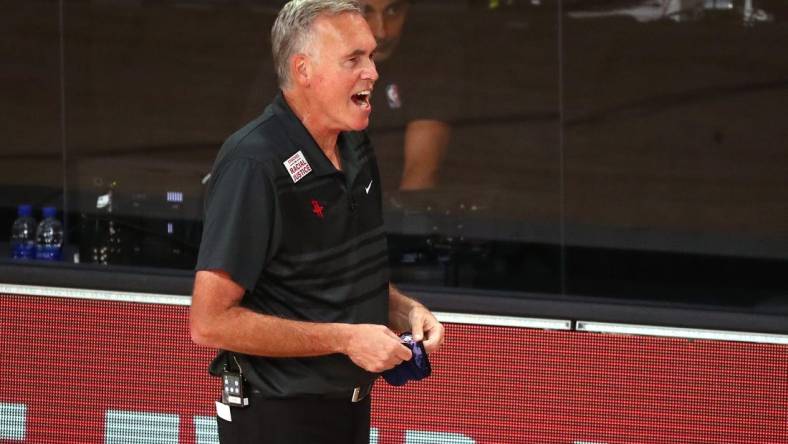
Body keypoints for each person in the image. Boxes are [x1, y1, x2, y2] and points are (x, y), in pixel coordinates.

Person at [189, 1, 445, 443]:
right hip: (276, 418)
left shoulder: (356, 147)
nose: (373, 72)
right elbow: (210, 322)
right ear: (303, 70)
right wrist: (346, 339)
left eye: (370, 55)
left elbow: (335, 279)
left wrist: (404, 310)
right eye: (354, 59)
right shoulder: (254, 162)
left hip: (348, 411)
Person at [361, 0, 454, 191]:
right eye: (365, 12)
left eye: (393, 10)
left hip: (391, 214)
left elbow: (421, 171)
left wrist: (404, 219)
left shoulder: (427, 55)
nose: (382, 31)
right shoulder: (299, 60)